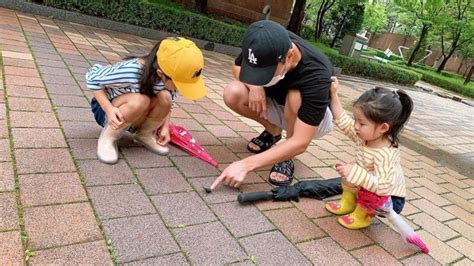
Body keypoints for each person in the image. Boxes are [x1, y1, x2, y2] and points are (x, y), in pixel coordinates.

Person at [210, 20, 334, 189]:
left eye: (265, 72)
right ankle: (273, 131)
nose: (259, 77)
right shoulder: (263, 42)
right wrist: (255, 86)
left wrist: (246, 165)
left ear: (289, 57)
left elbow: (301, 141)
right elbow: (236, 66)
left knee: (295, 95)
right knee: (233, 92)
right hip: (278, 106)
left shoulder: (317, 74)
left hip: (311, 122)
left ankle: (286, 156)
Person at [86, 37, 206, 164]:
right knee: (140, 100)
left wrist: (165, 127)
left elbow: (169, 104)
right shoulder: (130, 70)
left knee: (166, 97)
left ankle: (144, 134)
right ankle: (108, 137)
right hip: (109, 112)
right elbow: (92, 78)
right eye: (179, 84)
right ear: (161, 73)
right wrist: (108, 109)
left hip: (135, 113)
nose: (180, 88)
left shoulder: (171, 75)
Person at [325, 77, 414, 229]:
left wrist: (357, 173)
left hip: (390, 199)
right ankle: (348, 202)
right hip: (372, 185)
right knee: (352, 171)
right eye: (356, 120)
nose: (356, 126)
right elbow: (342, 119)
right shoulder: (365, 135)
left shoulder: (385, 154)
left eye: (362, 123)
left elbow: (384, 187)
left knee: (354, 171)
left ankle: (362, 216)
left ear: (383, 128)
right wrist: (334, 94)